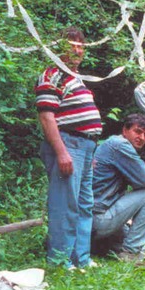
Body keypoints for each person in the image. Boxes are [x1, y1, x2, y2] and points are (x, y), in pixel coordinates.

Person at [36, 27, 103, 269]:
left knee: (84, 204)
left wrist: (90, 151)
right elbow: (47, 117)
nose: (77, 49)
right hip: (68, 144)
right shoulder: (51, 74)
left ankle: (80, 259)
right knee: (64, 204)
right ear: (58, 48)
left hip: (85, 148)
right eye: (71, 44)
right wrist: (62, 151)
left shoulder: (76, 78)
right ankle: (60, 260)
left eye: (80, 45)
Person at [90, 113, 145, 261]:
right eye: (137, 131)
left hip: (89, 221)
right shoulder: (120, 145)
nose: (141, 137)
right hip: (98, 219)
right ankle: (130, 253)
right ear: (125, 130)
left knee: (134, 240)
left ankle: (109, 245)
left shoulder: (111, 143)